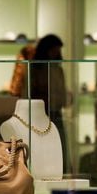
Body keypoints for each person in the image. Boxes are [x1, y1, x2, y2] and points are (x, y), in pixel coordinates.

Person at [30, 33, 68, 165]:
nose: (55, 54)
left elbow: (62, 96)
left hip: (56, 114)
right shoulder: (36, 70)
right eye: (53, 50)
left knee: (59, 152)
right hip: (40, 114)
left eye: (57, 51)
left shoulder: (58, 70)